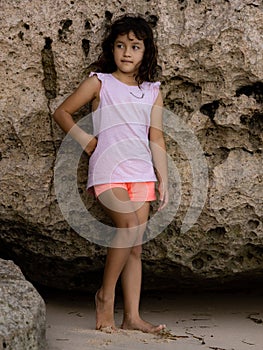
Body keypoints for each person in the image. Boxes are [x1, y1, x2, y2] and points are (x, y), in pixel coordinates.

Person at [53, 14, 168, 334]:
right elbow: (61, 112)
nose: (127, 52)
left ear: (146, 52)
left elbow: (156, 137)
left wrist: (164, 178)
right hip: (108, 170)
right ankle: (105, 297)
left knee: (136, 246)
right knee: (128, 226)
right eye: (120, 45)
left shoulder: (152, 91)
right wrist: (87, 141)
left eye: (134, 46)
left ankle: (132, 316)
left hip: (142, 172)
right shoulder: (99, 82)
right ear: (112, 49)